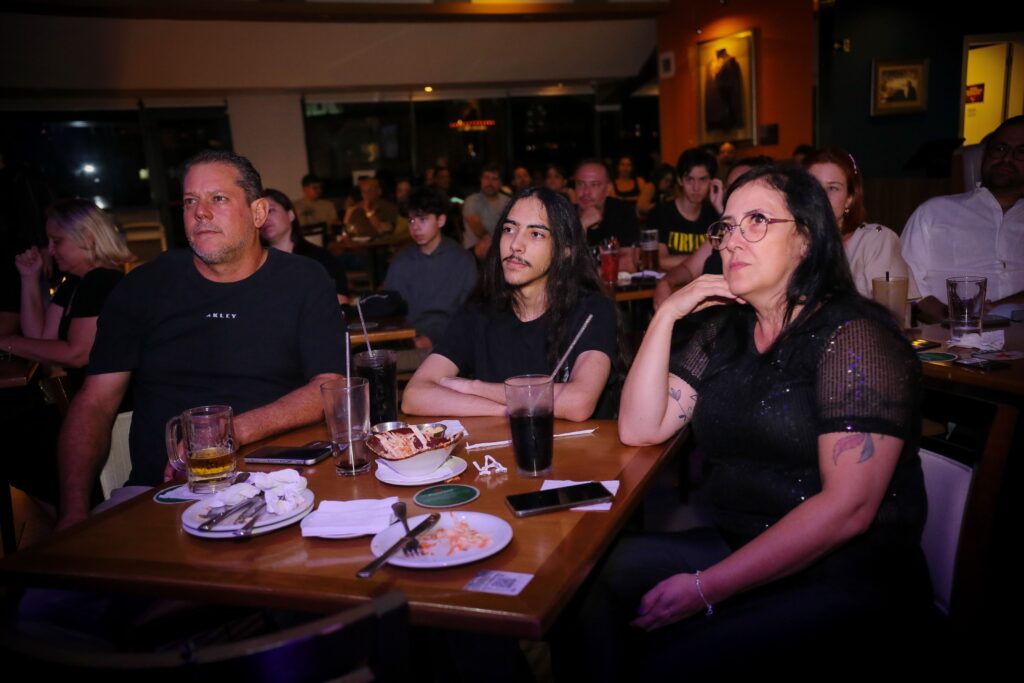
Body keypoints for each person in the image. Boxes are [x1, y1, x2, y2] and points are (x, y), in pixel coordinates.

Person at [573, 165, 930, 677]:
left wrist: (706, 588)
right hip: (740, 541)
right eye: (726, 227)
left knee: (668, 661)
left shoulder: (855, 337)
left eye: (757, 221)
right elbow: (639, 428)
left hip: (846, 575)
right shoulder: (725, 332)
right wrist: (668, 313)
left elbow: (848, 509)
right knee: (590, 573)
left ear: (806, 238)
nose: (732, 240)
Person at [55, 150, 345, 530]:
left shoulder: (304, 280)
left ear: (258, 213)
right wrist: (73, 512)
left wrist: (230, 433)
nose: (201, 213)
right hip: (158, 496)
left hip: (275, 487)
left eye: (218, 198)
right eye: (190, 201)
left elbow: (328, 387)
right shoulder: (144, 286)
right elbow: (94, 402)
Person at [402, 187, 618, 422]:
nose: (515, 244)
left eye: (536, 234)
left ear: (566, 250)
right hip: (501, 446)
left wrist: (474, 388)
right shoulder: (479, 312)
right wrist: (506, 411)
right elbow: (414, 395)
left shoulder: (591, 311)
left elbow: (578, 402)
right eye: (509, 229)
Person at [1, 199, 134, 392]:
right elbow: (41, 340)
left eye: (57, 241)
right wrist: (29, 278)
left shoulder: (101, 281)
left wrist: (6, 342)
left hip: (116, 402)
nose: (50, 250)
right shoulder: (75, 281)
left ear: (88, 238)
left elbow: (76, 355)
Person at [901, 116, 1024, 321]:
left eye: (1021, 152)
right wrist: (951, 315)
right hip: (950, 332)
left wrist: (996, 309)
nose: (1007, 158)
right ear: (984, 155)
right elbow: (904, 282)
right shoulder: (934, 212)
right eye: (1000, 149)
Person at [653, 155, 773, 309]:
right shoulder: (723, 228)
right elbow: (688, 269)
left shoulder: (767, 233)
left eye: (742, 186)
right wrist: (665, 282)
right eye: (730, 187)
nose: (734, 193)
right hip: (708, 317)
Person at [805, 147, 920, 300]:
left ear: (849, 199)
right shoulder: (791, 242)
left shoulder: (876, 241)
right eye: (814, 186)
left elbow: (892, 311)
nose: (822, 196)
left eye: (833, 188)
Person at [383, 186, 477, 350]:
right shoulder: (401, 261)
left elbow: (469, 313)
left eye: (423, 219)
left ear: (441, 220)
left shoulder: (462, 260)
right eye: (411, 221)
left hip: (450, 341)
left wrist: (432, 338)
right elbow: (390, 310)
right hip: (406, 339)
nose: (415, 228)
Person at [259, 188, 350, 303]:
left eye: (271, 210)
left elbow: (340, 302)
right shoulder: (257, 266)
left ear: (290, 215)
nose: (265, 219)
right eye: (259, 215)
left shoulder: (320, 260)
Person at [646, 148, 722, 262]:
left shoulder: (715, 215)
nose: (696, 187)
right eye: (690, 179)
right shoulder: (660, 214)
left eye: (702, 180)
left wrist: (720, 209)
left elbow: (725, 257)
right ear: (679, 180)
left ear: (712, 181)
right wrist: (705, 260)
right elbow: (660, 261)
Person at [575, 159, 639, 249]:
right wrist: (582, 225)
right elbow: (562, 255)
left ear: (608, 189)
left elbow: (630, 253)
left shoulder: (623, 213)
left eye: (594, 185)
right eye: (580, 184)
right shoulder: (562, 216)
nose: (586, 192)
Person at [462, 163, 511, 260]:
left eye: (494, 179)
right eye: (486, 178)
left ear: (500, 183)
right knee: (486, 242)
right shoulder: (471, 200)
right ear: (481, 180)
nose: (490, 183)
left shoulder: (507, 201)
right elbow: (479, 230)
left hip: (499, 248)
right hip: (475, 251)